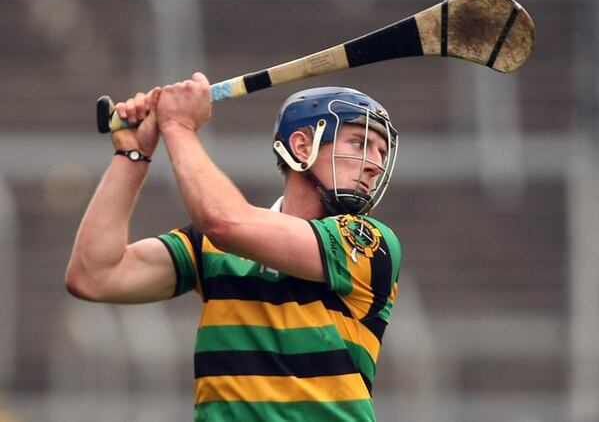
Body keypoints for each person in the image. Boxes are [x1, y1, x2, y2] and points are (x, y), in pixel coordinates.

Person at [65, 72, 402, 421]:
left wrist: (178, 126)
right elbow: (94, 276)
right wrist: (132, 154)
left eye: (381, 150)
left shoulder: (368, 244)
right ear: (303, 146)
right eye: (359, 144)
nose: (375, 165)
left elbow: (223, 221)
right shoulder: (212, 247)